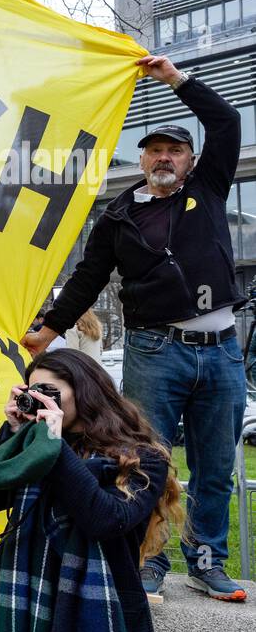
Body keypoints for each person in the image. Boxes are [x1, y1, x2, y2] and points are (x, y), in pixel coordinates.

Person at [24, 54, 247, 603]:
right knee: (146, 458)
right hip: (155, 350)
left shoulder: (209, 189)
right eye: (155, 150)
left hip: (221, 349)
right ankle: (149, 559)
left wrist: (175, 79)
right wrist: (47, 333)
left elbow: (226, 121)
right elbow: (88, 278)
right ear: (143, 159)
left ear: (190, 160)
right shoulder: (118, 217)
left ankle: (208, 559)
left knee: (216, 464)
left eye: (175, 150)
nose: (164, 157)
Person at [0, 349, 182, 632]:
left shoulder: (142, 458)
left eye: (49, 391)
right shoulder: (32, 445)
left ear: (86, 390)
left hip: (93, 626)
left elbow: (105, 519)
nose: (40, 400)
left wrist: (53, 445)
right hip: (19, 611)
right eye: (32, 392)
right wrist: (11, 431)